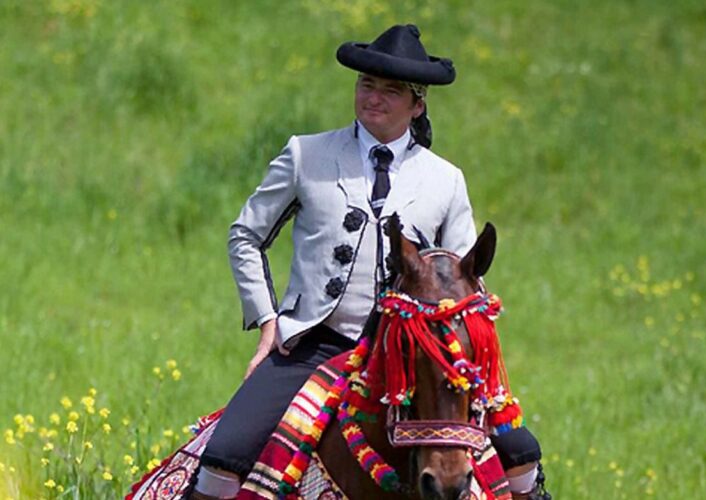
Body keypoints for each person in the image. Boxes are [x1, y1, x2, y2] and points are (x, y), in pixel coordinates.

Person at [188, 25, 548, 500]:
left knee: (522, 456)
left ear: (417, 105)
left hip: (411, 355)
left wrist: (455, 354)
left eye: (391, 90)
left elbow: (465, 282)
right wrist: (268, 322)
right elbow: (245, 235)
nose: (373, 97)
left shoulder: (445, 181)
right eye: (367, 85)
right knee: (225, 458)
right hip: (311, 345)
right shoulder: (306, 154)